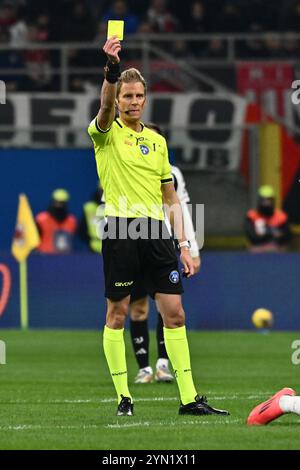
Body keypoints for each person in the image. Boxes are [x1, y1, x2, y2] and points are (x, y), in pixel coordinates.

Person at [87, 35, 229, 417]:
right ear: (118, 99)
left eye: (138, 96)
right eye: (126, 96)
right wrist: (111, 70)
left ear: (145, 99)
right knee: (117, 314)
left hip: (155, 234)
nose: (133, 102)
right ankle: (124, 397)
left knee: (175, 313)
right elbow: (102, 106)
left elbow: (171, 200)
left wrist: (183, 244)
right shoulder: (105, 133)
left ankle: (188, 399)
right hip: (120, 231)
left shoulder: (158, 141)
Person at [130, 122, 201, 385]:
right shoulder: (124, 167)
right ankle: (143, 368)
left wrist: (191, 248)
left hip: (163, 243)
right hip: (132, 239)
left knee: (167, 307)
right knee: (136, 308)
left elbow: (181, 208)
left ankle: (162, 364)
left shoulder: (173, 173)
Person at [245, 185, 291, 253]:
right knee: (255, 249)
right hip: (257, 249)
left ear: (273, 201)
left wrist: (278, 238)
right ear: (259, 201)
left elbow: (287, 235)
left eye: (268, 200)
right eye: (264, 200)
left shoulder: (281, 216)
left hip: (276, 249)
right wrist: (271, 234)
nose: (266, 203)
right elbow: (252, 237)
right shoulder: (251, 216)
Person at [35, 189, 77, 254]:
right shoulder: (41, 219)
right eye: (57, 202)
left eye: (62, 203)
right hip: (44, 256)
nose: (59, 206)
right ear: (52, 202)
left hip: (65, 258)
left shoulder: (72, 221)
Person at [78, 185, 104, 253]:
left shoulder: (116, 207)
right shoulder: (89, 207)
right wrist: (89, 241)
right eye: (102, 190)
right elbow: (81, 229)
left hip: (112, 248)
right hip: (93, 248)